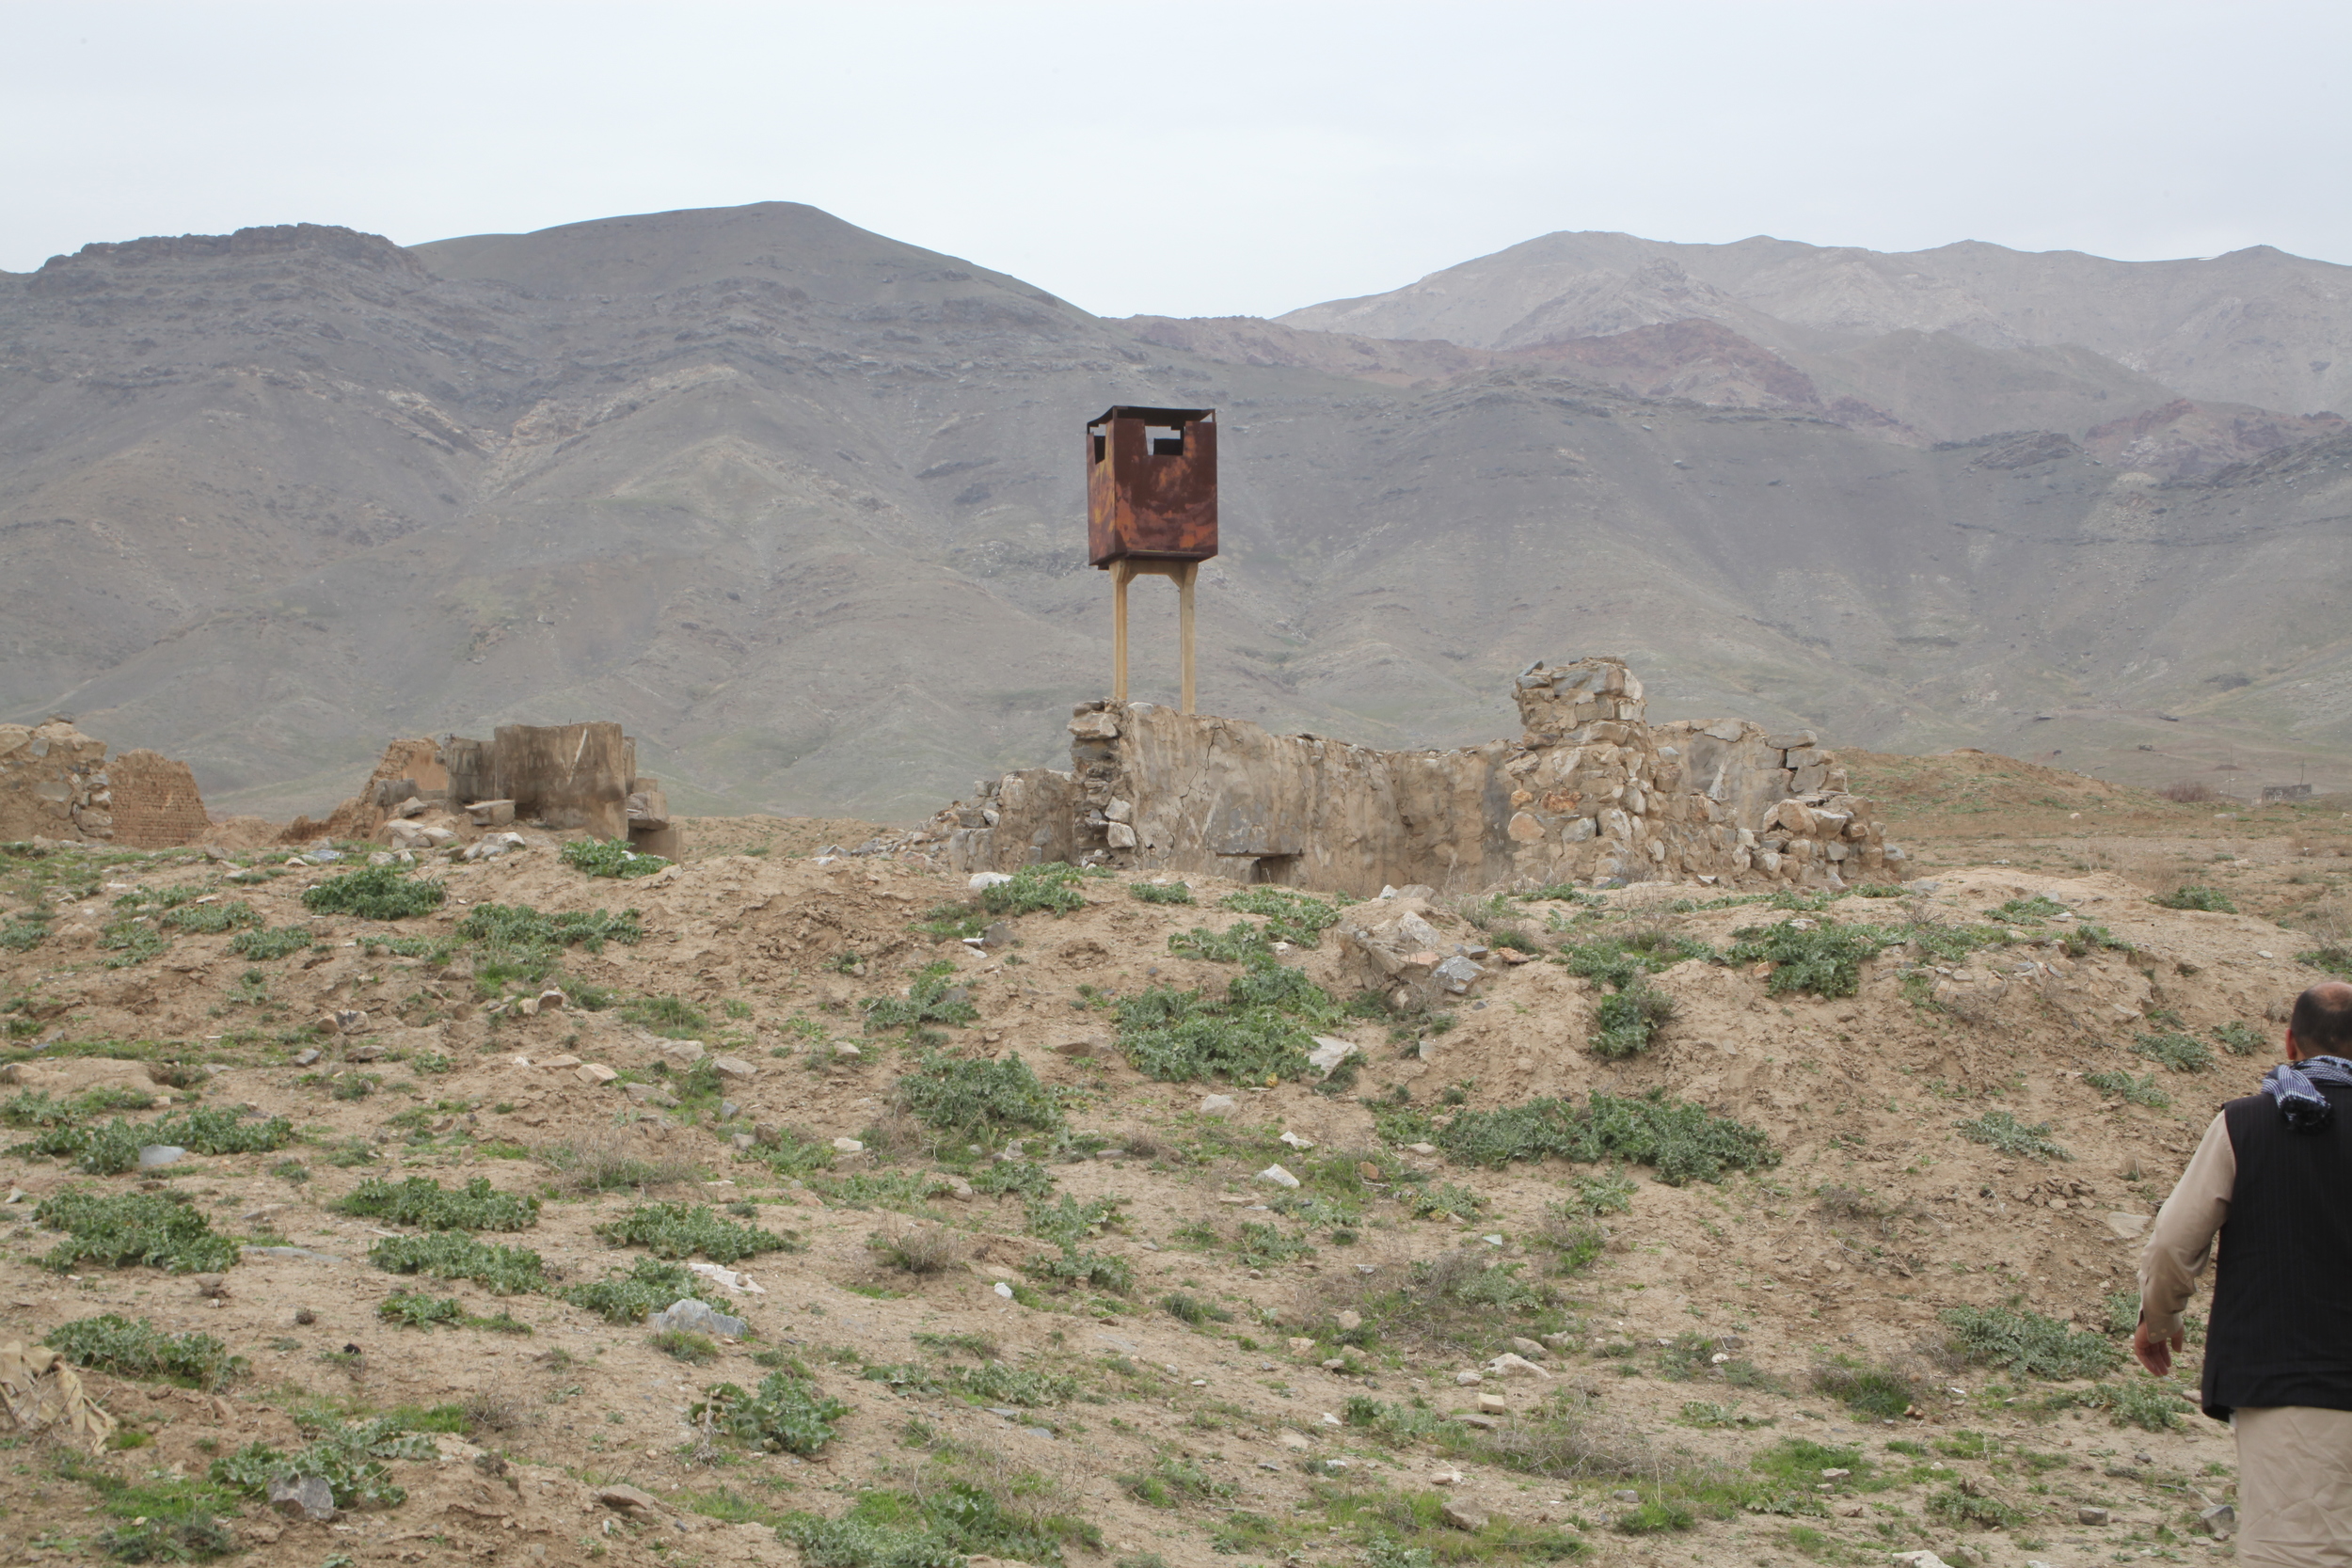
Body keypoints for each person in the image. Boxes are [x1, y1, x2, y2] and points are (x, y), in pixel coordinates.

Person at [2137, 980, 2352, 1566]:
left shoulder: (2248, 1124)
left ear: (2290, 1044)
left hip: (2292, 1387)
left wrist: (2159, 1319)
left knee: (2300, 1552)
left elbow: (2173, 1245)